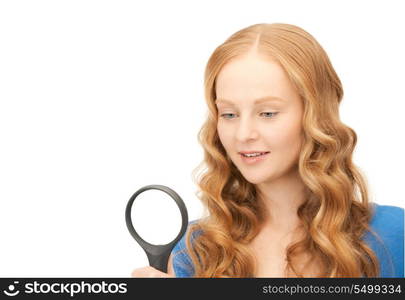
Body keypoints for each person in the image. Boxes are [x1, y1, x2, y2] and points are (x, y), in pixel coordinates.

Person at [131, 23, 404, 278]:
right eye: (228, 114)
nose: (243, 134)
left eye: (268, 113)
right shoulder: (195, 249)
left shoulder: (394, 234)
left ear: (316, 115)